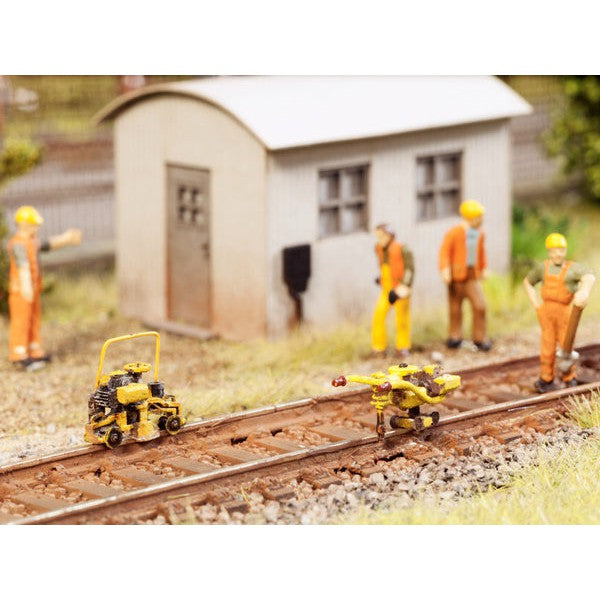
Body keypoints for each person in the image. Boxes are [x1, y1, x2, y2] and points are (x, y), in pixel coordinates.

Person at [7, 205, 82, 371]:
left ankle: (34, 351)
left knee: (33, 320)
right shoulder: (18, 244)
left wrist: (66, 238)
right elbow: (22, 266)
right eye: (34, 224)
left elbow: (49, 244)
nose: (37, 228)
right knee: (21, 321)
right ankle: (19, 354)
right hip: (21, 291)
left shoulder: (32, 241)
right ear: (24, 224)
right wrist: (26, 286)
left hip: (33, 290)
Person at [523, 232, 595, 393]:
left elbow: (589, 276)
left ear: (565, 250)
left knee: (566, 345)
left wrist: (584, 291)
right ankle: (546, 378)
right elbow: (528, 282)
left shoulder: (572, 269)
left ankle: (569, 377)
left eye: (561, 250)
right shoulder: (543, 268)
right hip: (546, 313)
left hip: (564, 313)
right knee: (547, 347)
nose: (558, 254)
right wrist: (537, 305)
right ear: (549, 251)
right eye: (554, 250)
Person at [438, 199, 492, 351]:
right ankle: (454, 337)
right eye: (479, 217)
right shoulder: (454, 233)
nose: (481, 220)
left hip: (471, 275)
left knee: (480, 305)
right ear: (470, 218)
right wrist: (445, 269)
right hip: (455, 276)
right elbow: (444, 252)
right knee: (455, 307)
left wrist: (483, 268)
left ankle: (479, 338)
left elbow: (481, 253)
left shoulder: (480, 233)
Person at [371, 223, 414, 358]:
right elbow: (385, 267)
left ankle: (402, 346)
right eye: (378, 236)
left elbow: (409, 269)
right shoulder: (379, 249)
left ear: (389, 235)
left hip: (399, 288)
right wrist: (381, 279)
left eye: (382, 236)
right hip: (386, 289)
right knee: (379, 315)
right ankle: (379, 346)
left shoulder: (402, 249)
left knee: (402, 319)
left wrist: (404, 286)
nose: (380, 239)